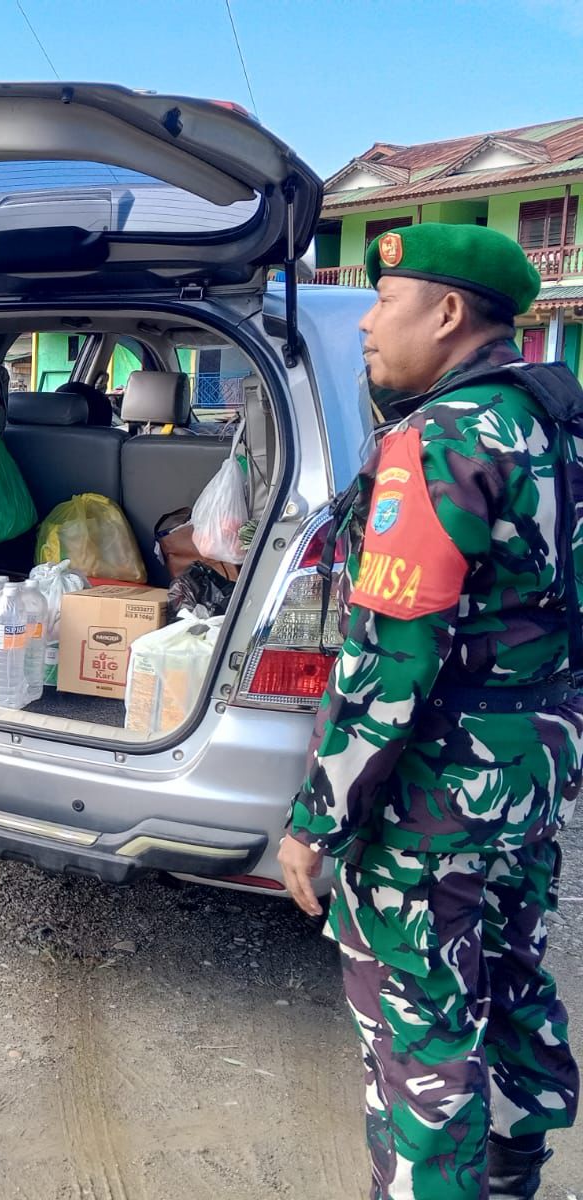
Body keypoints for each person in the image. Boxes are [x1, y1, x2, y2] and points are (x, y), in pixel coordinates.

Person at [279, 224, 580, 1200]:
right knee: (510, 995)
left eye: (385, 298)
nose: (367, 321)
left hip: (434, 797)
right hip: (531, 779)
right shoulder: (558, 424)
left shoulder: (438, 439)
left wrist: (315, 821)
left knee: (422, 1047)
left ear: (447, 313)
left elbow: (388, 661)